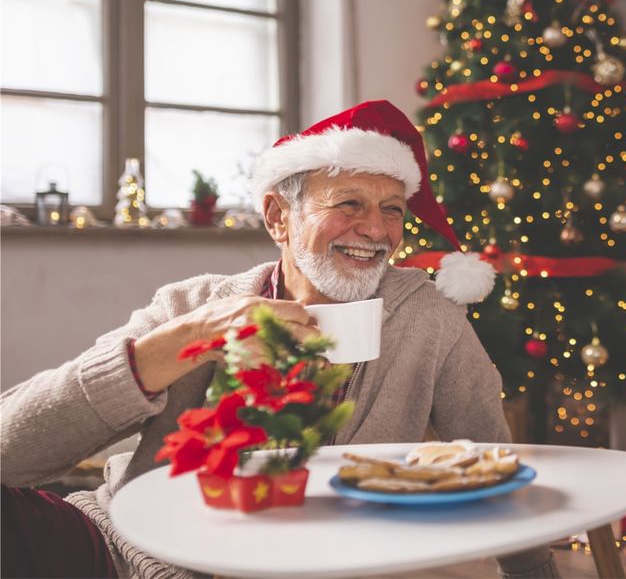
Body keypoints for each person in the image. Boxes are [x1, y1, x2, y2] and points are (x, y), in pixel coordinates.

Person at [1, 100, 558, 578]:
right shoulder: (192, 305)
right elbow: (9, 448)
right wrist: (178, 343)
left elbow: (493, 462)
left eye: (393, 210)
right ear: (277, 217)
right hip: (125, 549)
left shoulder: (430, 319)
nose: (376, 230)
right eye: (348, 203)